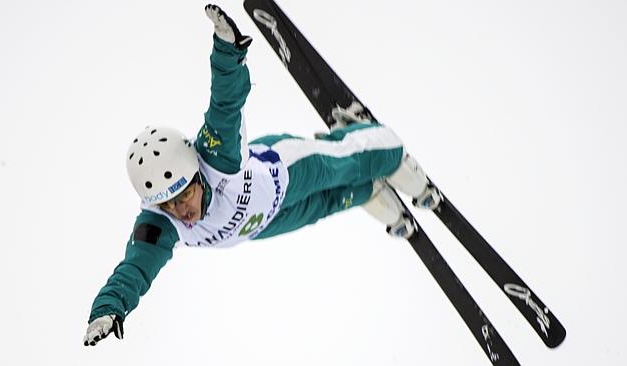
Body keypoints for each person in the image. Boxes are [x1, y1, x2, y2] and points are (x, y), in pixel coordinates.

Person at [83, 4, 441, 346]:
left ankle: (386, 151)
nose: (182, 211)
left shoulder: (215, 154)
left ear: (196, 174)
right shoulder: (158, 226)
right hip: (259, 224)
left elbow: (224, 105)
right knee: (324, 207)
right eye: (169, 204)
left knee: (341, 162)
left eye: (184, 195)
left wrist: (226, 49)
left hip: (286, 171)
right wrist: (108, 309)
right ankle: (369, 191)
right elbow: (134, 270)